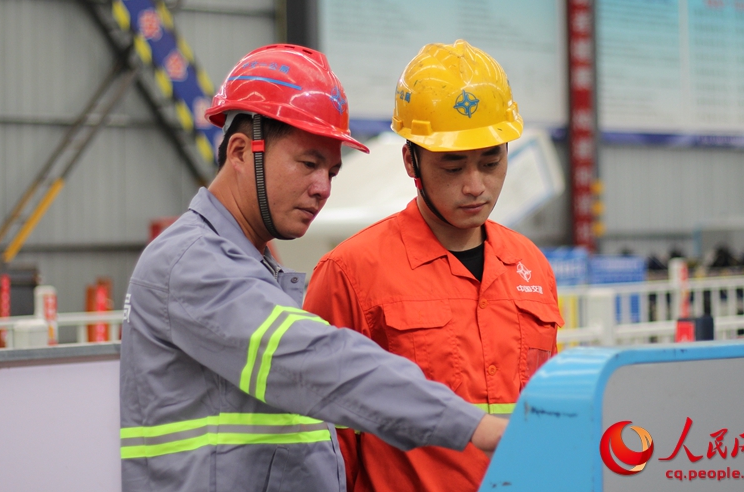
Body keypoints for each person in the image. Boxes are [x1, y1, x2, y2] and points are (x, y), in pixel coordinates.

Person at [119, 43, 506, 492]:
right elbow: (315, 361)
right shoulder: (191, 263)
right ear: (240, 152)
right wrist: (475, 426)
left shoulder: (252, 266)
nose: (323, 188)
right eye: (309, 164)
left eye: (332, 172)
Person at [303, 40, 564, 492]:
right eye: (453, 167)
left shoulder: (531, 267)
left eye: (491, 162)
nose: (475, 186)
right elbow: (323, 439)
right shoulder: (351, 273)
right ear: (411, 161)